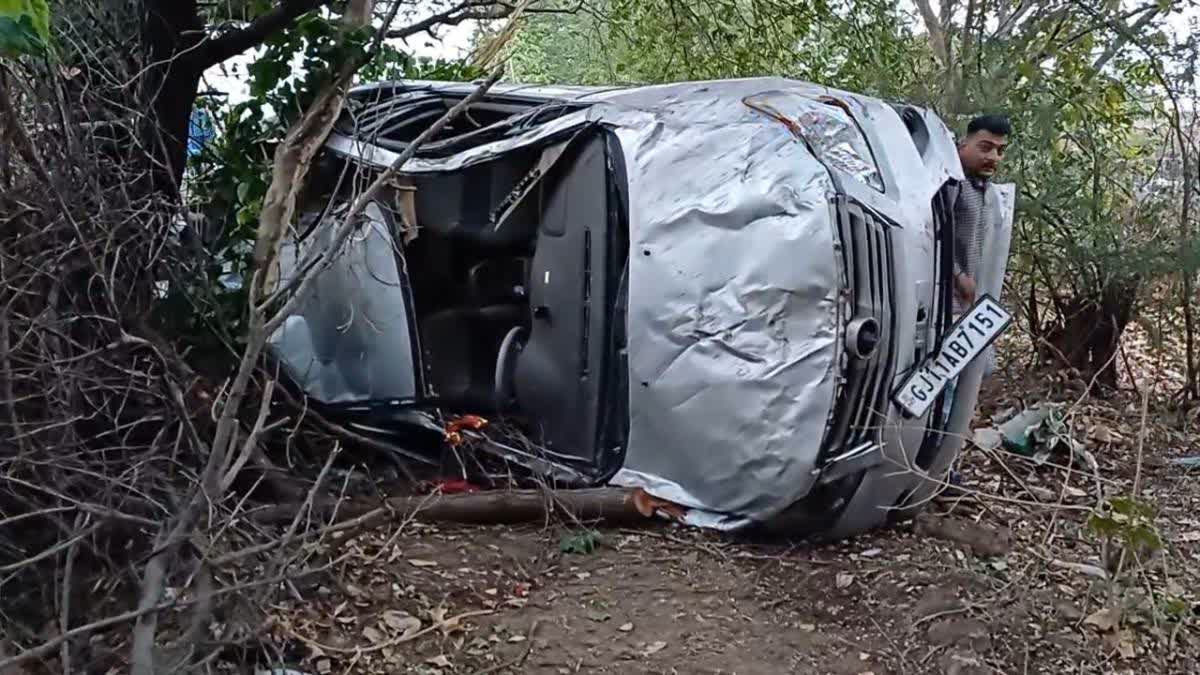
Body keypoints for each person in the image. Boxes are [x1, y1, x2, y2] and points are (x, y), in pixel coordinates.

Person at [941, 115, 1011, 486]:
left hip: (971, 308)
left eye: (1000, 151)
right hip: (943, 305)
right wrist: (956, 275)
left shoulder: (987, 192)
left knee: (980, 370)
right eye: (985, 147)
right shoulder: (951, 186)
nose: (993, 157)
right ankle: (940, 469)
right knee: (947, 383)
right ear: (962, 145)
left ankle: (944, 459)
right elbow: (933, 233)